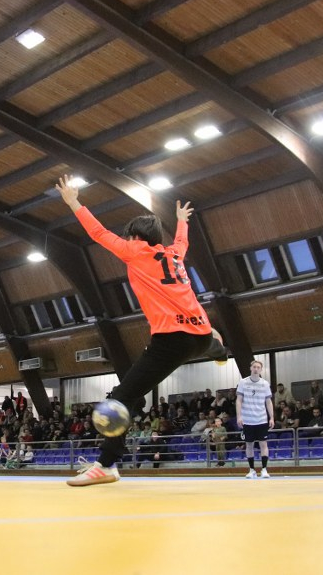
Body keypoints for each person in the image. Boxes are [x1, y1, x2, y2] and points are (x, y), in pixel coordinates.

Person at [55, 175, 222, 487]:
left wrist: (74, 202)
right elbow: (182, 242)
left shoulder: (135, 251)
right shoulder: (174, 255)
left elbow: (98, 232)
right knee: (200, 343)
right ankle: (217, 345)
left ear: (134, 236)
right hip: (199, 333)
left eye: (128, 236)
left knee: (121, 397)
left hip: (173, 339)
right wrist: (181, 222)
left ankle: (106, 465)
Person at [236, 360, 275, 479]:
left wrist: (272, 417)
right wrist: (239, 416)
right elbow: (239, 400)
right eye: (254, 367)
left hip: (262, 419)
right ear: (250, 368)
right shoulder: (243, 382)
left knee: (263, 444)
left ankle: (264, 469)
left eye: (258, 367)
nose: (256, 369)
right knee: (249, 445)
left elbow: (268, 401)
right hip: (247, 420)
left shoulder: (265, 384)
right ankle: (252, 470)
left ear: (261, 369)